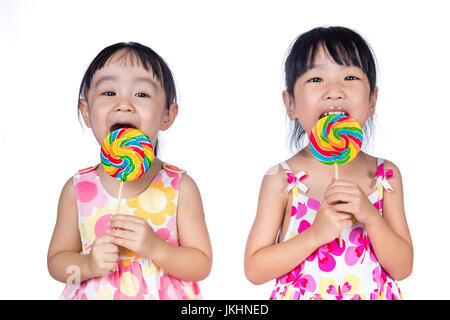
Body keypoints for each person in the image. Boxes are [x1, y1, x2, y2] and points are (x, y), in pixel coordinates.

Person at [244, 26, 413, 300]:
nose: (334, 92)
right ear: (291, 105)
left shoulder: (385, 175)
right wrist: (315, 235)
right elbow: (254, 269)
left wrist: (370, 216)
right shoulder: (282, 179)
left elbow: (403, 267)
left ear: (372, 100)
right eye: (316, 79)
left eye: (349, 77)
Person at [47, 42, 212, 300]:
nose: (124, 105)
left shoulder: (180, 187)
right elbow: (57, 264)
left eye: (142, 94)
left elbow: (201, 265)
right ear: (86, 112)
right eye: (109, 92)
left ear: (167, 114)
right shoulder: (78, 189)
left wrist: (156, 248)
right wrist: (89, 264)